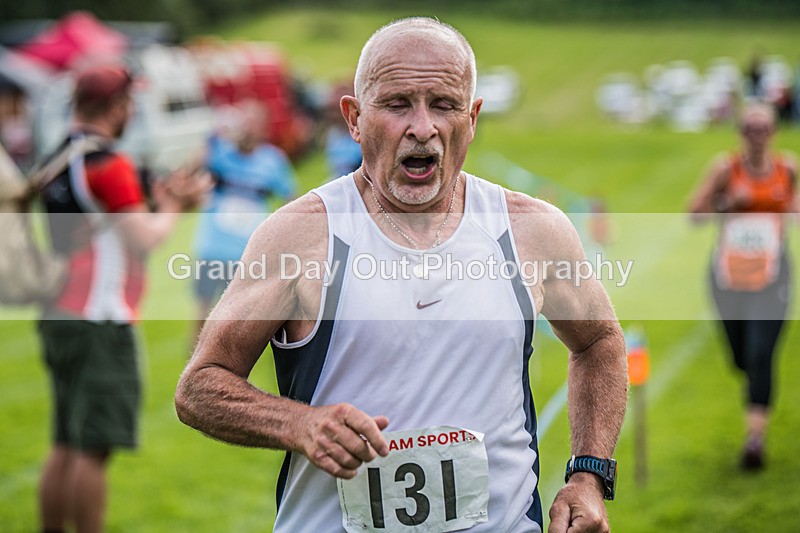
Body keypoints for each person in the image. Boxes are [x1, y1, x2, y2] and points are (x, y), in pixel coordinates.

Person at [176, 18, 627, 533]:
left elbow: (599, 343)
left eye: (444, 104)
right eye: (396, 105)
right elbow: (200, 387)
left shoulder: (532, 230)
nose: (422, 127)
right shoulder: (299, 237)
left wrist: (588, 476)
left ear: (472, 117)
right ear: (354, 118)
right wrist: (299, 425)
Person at [37, 64, 206, 533]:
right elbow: (144, 237)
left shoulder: (59, 156)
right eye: (130, 103)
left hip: (59, 311)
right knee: (93, 449)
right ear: (115, 107)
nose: (133, 111)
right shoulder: (109, 163)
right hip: (100, 317)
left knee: (65, 443)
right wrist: (175, 205)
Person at [689, 102, 797, 470]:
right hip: (729, 279)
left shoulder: (788, 169)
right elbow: (694, 215)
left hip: (772, 277)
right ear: (740, 132)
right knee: (741, 359)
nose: (756, 135)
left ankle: (754, 441)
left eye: (763, 128)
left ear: (773, 132)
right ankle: (751, 376)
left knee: (761, 354)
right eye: (749, 128)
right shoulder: (726, 169)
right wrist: (726, 204)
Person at [192, 102, 296, 336]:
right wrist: (213, 135)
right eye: (244, 124)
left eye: (253, 125)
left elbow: (290, 199)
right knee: (202, 314)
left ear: (263, 129)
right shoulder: (219, 150)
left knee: (236, 319)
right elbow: (193, 168)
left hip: (247, 250)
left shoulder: (272, 160)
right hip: (213, 247)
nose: (247, 130)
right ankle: (194, 368)